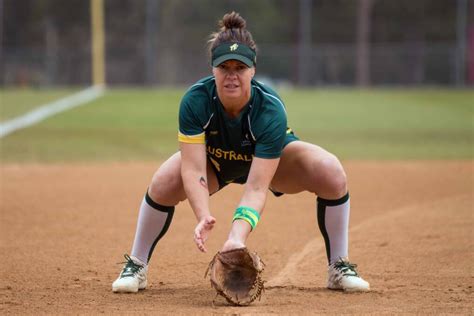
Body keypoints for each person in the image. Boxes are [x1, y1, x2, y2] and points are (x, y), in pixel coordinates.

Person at [112, 11, 369, 293]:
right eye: (225, 67)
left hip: (269, 163)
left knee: (330, 171)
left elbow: (257, 187)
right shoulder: (195, 101)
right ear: (213, 69)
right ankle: (136, 264)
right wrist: (202, 215)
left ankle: (338, 267)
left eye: (240, 68)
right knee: (162, 182)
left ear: (253, 70)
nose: (232, 76)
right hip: (215, 161)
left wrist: (236, 237)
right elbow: (194, 170)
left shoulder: (269, 109)